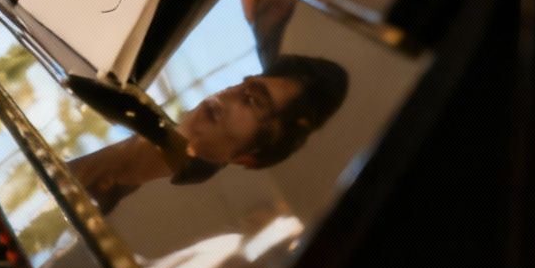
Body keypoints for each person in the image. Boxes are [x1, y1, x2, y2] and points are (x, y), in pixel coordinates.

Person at [68, 55, 350, 215]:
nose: (229, 93)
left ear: (248, 157)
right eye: (243, 85)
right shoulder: (112, 110)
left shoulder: (150, 208)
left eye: (254, 101)